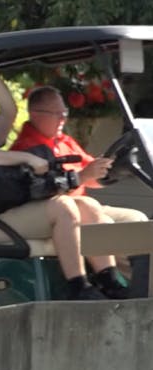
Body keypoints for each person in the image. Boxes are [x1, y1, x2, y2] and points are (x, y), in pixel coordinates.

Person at [0, 55, 127, 300]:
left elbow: (9, 112)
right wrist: (27, 158)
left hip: (2, 211)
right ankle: (79, 287)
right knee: (62, 206)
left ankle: (110, 282)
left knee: (87, 205)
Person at [10, 85, 148, 281]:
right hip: (61, 213)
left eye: (64, 112)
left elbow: (91, 175)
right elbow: (44, 190)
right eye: (55, 113)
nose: (62, 119)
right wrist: (83, 175)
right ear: (34, 114)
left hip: (84, 208)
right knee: (113, 230)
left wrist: (114, 170)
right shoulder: (27, 150)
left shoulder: (63, 141)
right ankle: (129, 290)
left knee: (136, 219)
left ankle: (139, 289)